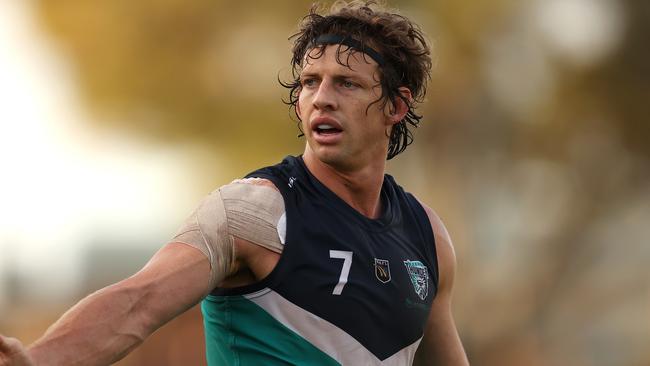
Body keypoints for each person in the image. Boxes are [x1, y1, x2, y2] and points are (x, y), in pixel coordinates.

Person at [0, 1, 469, 365]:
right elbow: (136, 303)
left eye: (346, 83)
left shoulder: (427, 237)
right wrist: (41, 359)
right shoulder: (255, 213)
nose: (322, 98)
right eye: (309, 82)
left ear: (396, 106)